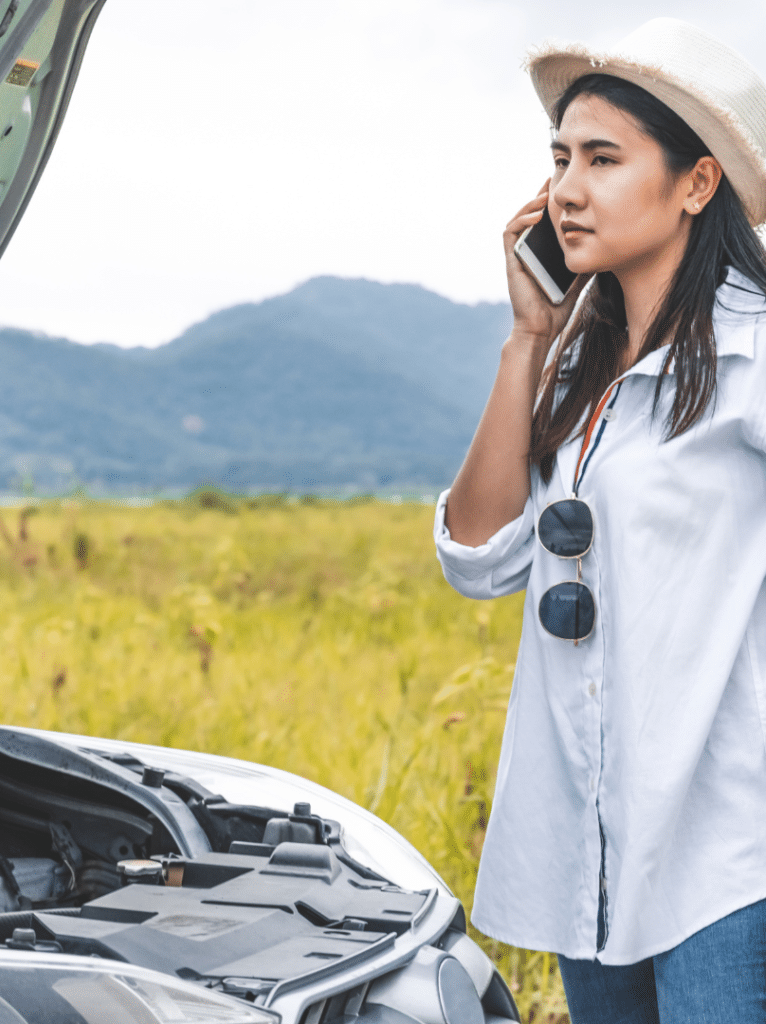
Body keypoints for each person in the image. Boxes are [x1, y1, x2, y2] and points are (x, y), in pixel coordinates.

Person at [433, 18, 766, 1023]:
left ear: (696, 184)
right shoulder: (577, 370)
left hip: (724, 855)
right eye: (559, 160)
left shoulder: (752, 360)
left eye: (604, 159)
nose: (568, 189)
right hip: (590, 850)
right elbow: (479, 559)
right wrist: (526, 341)